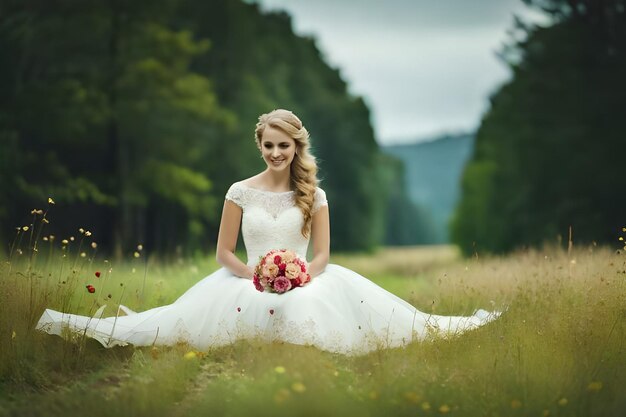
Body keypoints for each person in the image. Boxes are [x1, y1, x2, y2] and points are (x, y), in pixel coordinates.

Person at [37, 109, 500, 355]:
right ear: (259, 145)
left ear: (297, 147)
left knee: (304, 304)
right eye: (269, 145)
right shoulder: (239, 191)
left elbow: (321, 255)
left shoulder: (314, 195)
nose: (277, 153)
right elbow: (222, 251)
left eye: (285, 145)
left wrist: (299, 276)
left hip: (304, 277)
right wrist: (255, 276)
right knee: (194, 321)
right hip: (244, 277)